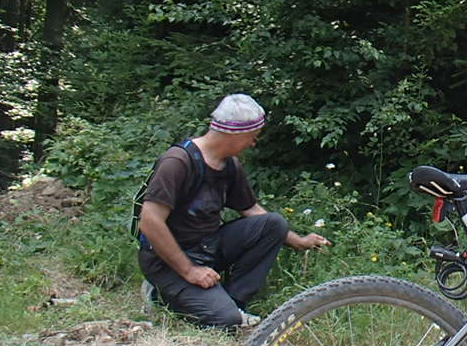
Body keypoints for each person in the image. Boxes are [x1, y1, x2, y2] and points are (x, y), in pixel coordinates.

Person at [137, 94, 329, 331]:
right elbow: (150, 221)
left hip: (207, 247)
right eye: (252, 137)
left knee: (274, 224)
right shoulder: (177, 162)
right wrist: (189, 271)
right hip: (168, 260)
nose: (253, 144)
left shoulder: (229, 165)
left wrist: (298, 241)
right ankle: (159, 295)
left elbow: (251, 210)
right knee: (224, 321)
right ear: (235, 133)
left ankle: (234, 302)